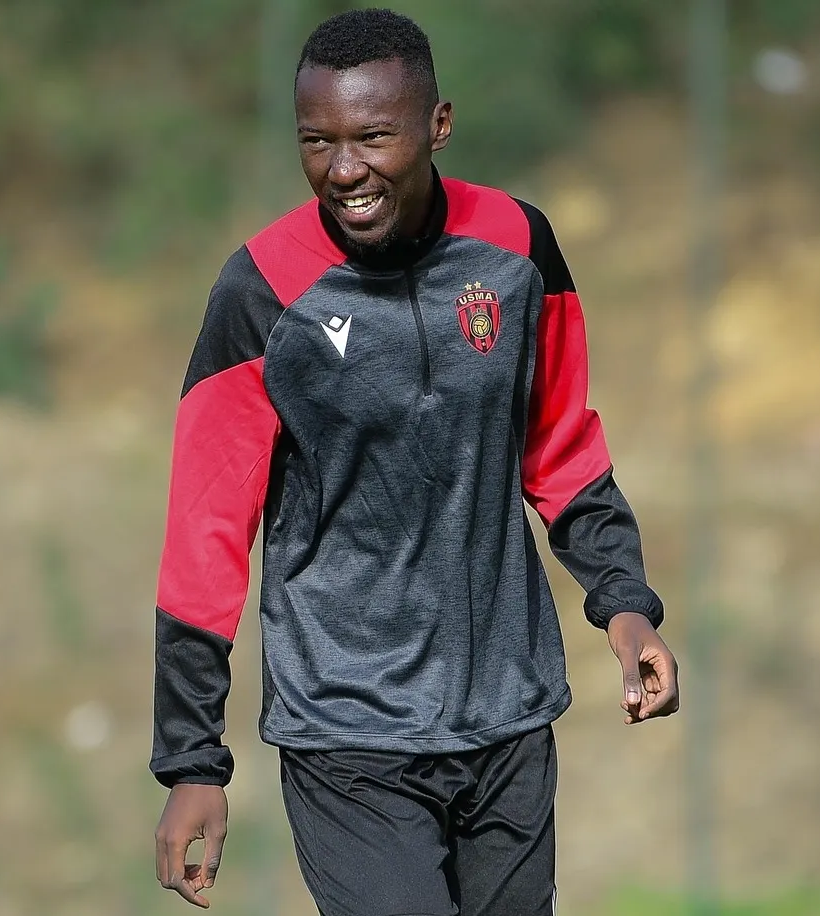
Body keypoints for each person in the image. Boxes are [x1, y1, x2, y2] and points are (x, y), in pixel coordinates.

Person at [151, 8, 679, 915]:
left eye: (372, 137)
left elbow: (559, 446)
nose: (343, 170)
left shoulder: (518, 246)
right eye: (316, 141)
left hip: (507, 713)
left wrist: (625, 604)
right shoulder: (261, 291)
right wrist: (193, 760)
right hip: (346, 729)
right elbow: (207, 530)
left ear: (438, 124)